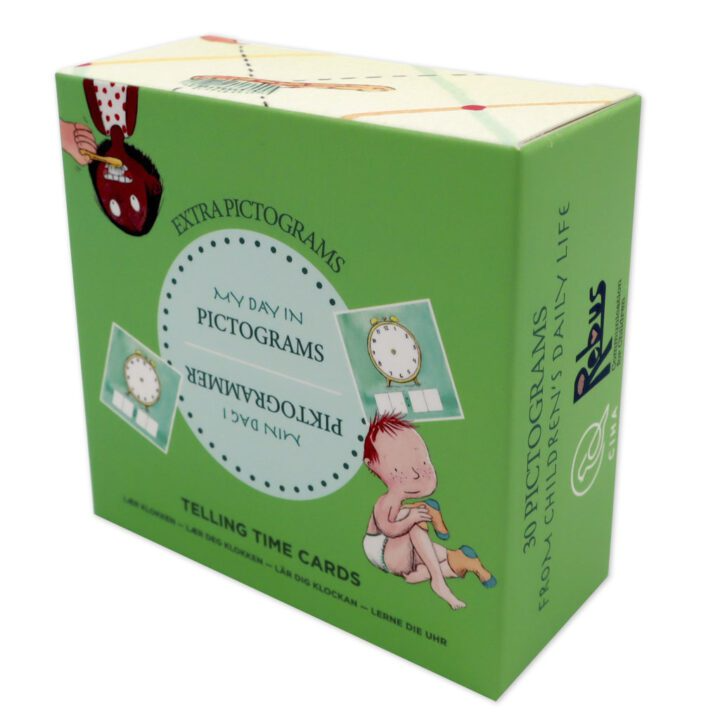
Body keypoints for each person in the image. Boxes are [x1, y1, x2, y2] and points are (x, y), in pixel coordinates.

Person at [363, 412, 496, 610]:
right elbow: (389, 529)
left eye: (423, 463)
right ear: (372, 465)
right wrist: (412, 518)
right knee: (413, 521)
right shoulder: (385, 502)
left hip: (396, 551)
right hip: (380, 550)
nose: (416, 474)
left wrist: (412, 517)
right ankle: (437, 579)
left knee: (438, 558)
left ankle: (465, 562)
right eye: (399, 468)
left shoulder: (397, 501)